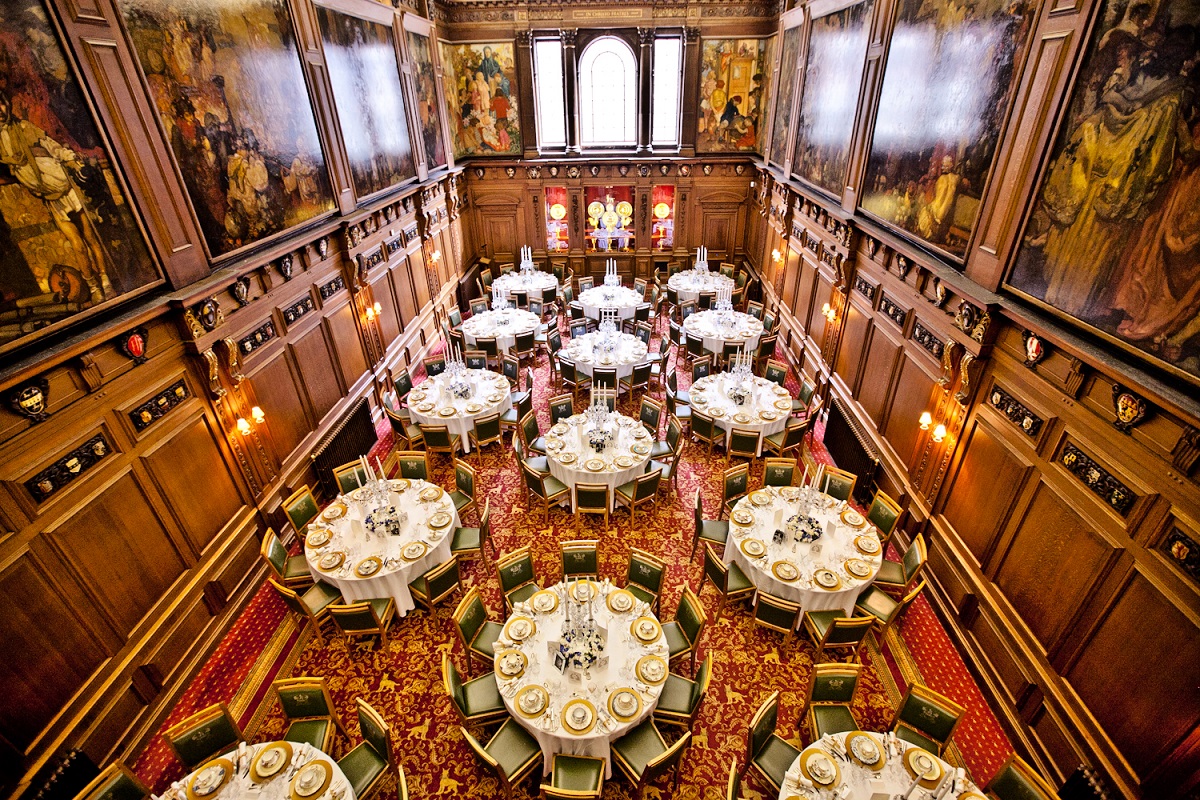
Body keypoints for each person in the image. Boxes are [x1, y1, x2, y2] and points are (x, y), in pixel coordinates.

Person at [0, 91, 112, 303]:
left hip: (68, 188)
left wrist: (71, 158)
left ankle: (106, 281)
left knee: (90, 238)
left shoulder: (24, 127)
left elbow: (53, 147)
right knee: (77, 245)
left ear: (6, 105)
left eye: (1, 104)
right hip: (52, 198)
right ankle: (93, 287)